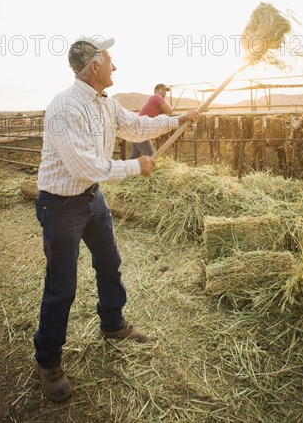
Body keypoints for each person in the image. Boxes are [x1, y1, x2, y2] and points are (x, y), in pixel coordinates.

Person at [34, 36, 198, 402]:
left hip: (92, 198)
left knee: (110, 262)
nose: (115, 66)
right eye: (110, 60)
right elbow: (82, 165)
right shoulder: (64, 108)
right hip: (61, 204)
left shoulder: (107, 104)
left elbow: (137, 127)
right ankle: (48, 361)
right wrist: (135, 166)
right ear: (94, 66)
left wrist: (178, 120)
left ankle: (113, 323)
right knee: (62, 285)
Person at [129, 83, 173, 159]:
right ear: (156, 90)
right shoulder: (156, 97)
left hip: (137, 128)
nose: (165, 92)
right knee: (152, 156)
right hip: (141, 129)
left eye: (166, 91)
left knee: (134, 156)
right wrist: (164, 110)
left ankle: (129, 170)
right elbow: (170, 110)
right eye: (163, 90)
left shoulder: (154, 99)